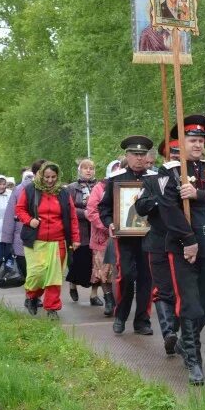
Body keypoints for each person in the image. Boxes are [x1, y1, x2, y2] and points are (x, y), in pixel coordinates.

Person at [143, 116, 205, 385]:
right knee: (189, 304)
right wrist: (188, 241)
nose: (198, 144)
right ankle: (194, 360)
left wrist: (199, 194)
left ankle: (186, 341)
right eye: (192, 140)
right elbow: (168, 208)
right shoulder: (169, 172)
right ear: (181, 142)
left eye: (201, 140)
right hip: (182, 246)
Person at [98, 136, 157, 335]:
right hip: (125, 238)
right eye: (135, 154)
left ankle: (142, 320)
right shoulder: (117, 179)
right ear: (127, 156)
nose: (139, 158)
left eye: (143, 154)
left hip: (149, 237)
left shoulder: (155, 178)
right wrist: (110, 223)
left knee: (146, 278)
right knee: (126, 276)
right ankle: (121, 316)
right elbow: (104, 207)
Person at [15, 162, 80, 319]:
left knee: (54, 276)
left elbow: (72, 217)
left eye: (53, 177)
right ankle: (31, 296)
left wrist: (76, 238)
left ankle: (52, 308)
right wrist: (29, 220)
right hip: (36, 240)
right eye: (47, 177)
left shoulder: (63, 193)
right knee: (37, 274)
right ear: (41, 175)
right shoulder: (30, 190)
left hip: (58, 241)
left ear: (57, 177)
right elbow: (19, 209)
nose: (50, 180)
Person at [138, 141, 181, 355]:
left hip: (185, 243)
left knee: (183, 291)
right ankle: (169, 333)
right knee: (164, 290)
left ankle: (180, 331)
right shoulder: (152, 180)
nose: (177, 156)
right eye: (173, 152)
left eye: (180, 152)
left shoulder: (194, 178)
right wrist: (160, 199)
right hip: (159, 241)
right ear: (166, 156)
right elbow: (141, 206)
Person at [86, 158, 122, 317]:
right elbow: (92, 212)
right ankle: (108, 300)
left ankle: (118, 300)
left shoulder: (123, 186)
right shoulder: (99, 189)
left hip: (121, 235)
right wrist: (106, 226)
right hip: (103, 236)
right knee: (104, 270)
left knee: (118, 270)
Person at [2, 162, 46, 278]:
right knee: (31, 272)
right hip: (24, 234)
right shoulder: (21, 190)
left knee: (35, 272)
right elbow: (12, 213)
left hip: (42, 236)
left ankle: (33, 293)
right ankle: (32, 294)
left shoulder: (52, 189)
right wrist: (7, 239)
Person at [65, 159, 100, 305]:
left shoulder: (99, 187)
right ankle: (72, 285)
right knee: (78, 262)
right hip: (79, 231)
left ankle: (94, 295)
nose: (88, 171)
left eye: (91, 168)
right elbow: (68, 208)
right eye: (85, 168)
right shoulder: (72, 188)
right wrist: (84, 213)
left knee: (96, 264)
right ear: (80, 170)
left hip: (96, 230)